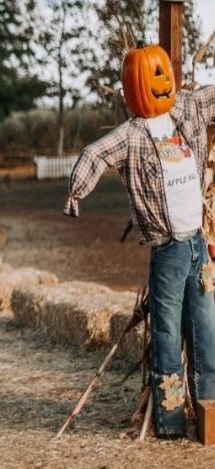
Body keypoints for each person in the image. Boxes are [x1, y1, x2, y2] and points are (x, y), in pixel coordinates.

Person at [65, 39, 215, 439]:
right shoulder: (131, 135)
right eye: (151, 76)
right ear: (133, 88)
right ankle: (170, 422)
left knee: (205, 328)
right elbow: (94, 154)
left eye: (163, 72)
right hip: (167, 250)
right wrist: (75, 193)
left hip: (197, 244)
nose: (160, 81)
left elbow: (212, 96)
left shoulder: (186, 109)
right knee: (166, 334)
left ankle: (209, 410)